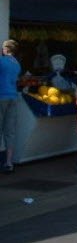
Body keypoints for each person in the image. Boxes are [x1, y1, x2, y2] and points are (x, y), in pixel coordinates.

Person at [0, 40, 22, 173]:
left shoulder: (2, 61)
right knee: (9, 131)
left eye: (2, 48)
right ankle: (9, 162)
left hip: (1, 96)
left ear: (7, 49)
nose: (1, 50)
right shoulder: (17, 64)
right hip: (13, 97)